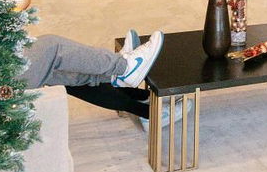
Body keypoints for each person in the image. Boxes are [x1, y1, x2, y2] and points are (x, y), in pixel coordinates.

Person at [23, 30, 163, 121]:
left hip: (11, 80)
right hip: (9, 83)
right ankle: (124, 67)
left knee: (56, 72)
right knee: (50, 46)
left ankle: (115, 76)